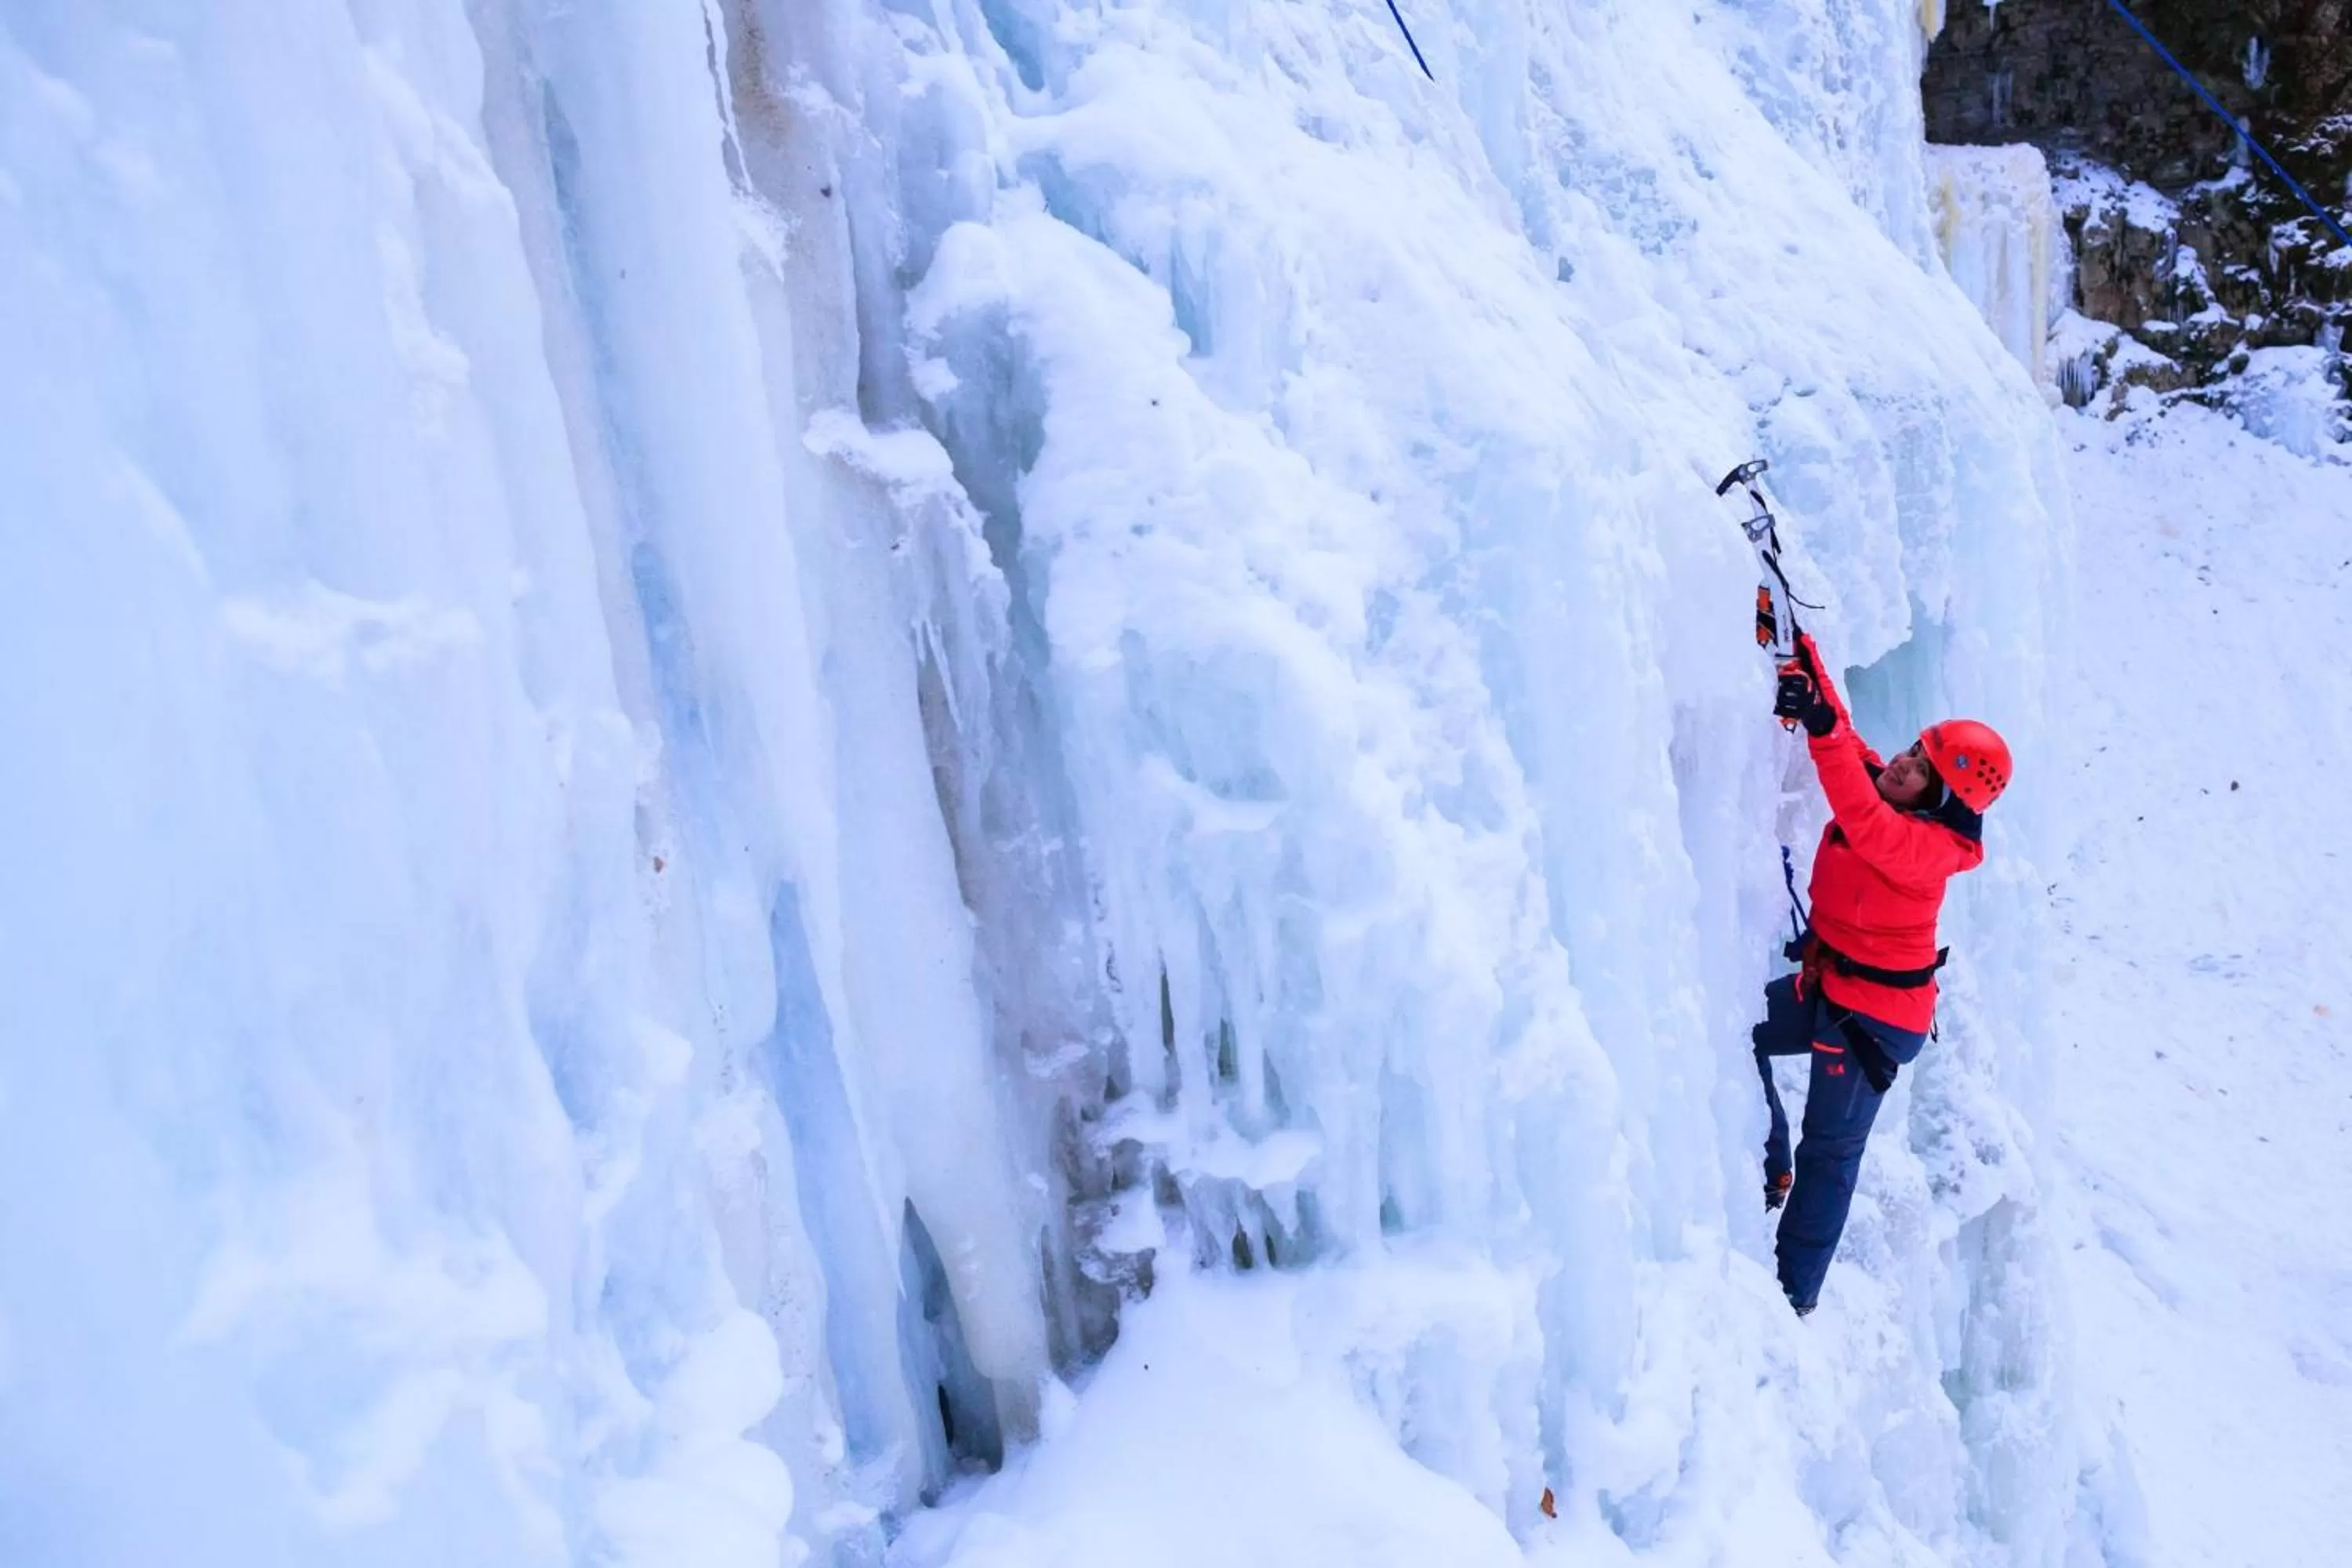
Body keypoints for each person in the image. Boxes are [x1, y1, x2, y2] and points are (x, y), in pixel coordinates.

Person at [1755, 631, 2011, 1316]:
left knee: (1831, 1152)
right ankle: (1767, 1162)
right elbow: (1847, 738)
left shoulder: (1926, 846)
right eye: (1913, 751)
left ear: (1942, 799)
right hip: (1834, 988)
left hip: (1871, 1021)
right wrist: (1799, 649)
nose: (1902, 763)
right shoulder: (1895, 800)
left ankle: (1792, 1297)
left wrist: (1818, 726)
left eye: (1922, 768)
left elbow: (1859, 813)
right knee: (1742, 1025)